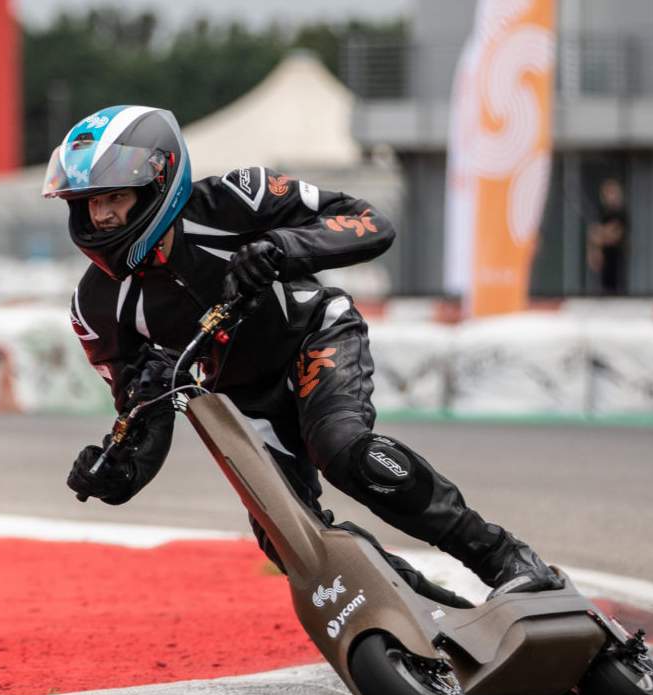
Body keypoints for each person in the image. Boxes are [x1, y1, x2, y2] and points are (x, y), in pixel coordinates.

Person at [43, 105, 563, 603]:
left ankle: (508, 560)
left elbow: (368, 221)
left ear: (159, 182)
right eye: (90, 202)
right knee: (286, 535)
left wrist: (282, 249)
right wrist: (120, 474)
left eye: (115, 197)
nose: (103, 217)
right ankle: (435, 617)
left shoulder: (234, 198)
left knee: (342, 450)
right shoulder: (94, 307)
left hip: (314, 334)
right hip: (244, 401)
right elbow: (144, 412)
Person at [586, 178, 629, 295]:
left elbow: (615, 235)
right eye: (607, 193)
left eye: (613, 193)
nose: (610, 197)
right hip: (602, 263)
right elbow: (593, 233)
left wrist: (600, 234)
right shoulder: (601, 213)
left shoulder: (621, 213)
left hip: (617, 261)